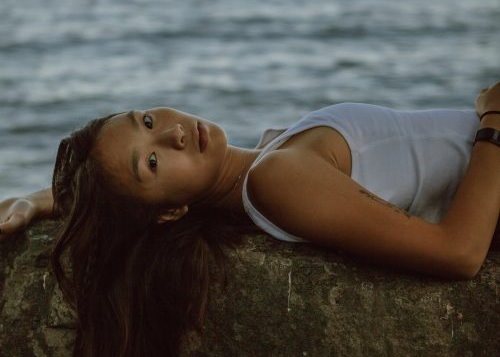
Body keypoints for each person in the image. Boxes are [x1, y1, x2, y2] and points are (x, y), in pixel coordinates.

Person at [0, 83, 499, 357]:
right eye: (151, 162)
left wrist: (44, 200)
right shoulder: (275, 180)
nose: (172, 134)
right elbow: (458, 252)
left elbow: (126, 207)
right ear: (170, 212)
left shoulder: (268, 155)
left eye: (147, 120)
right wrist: (494, 118)